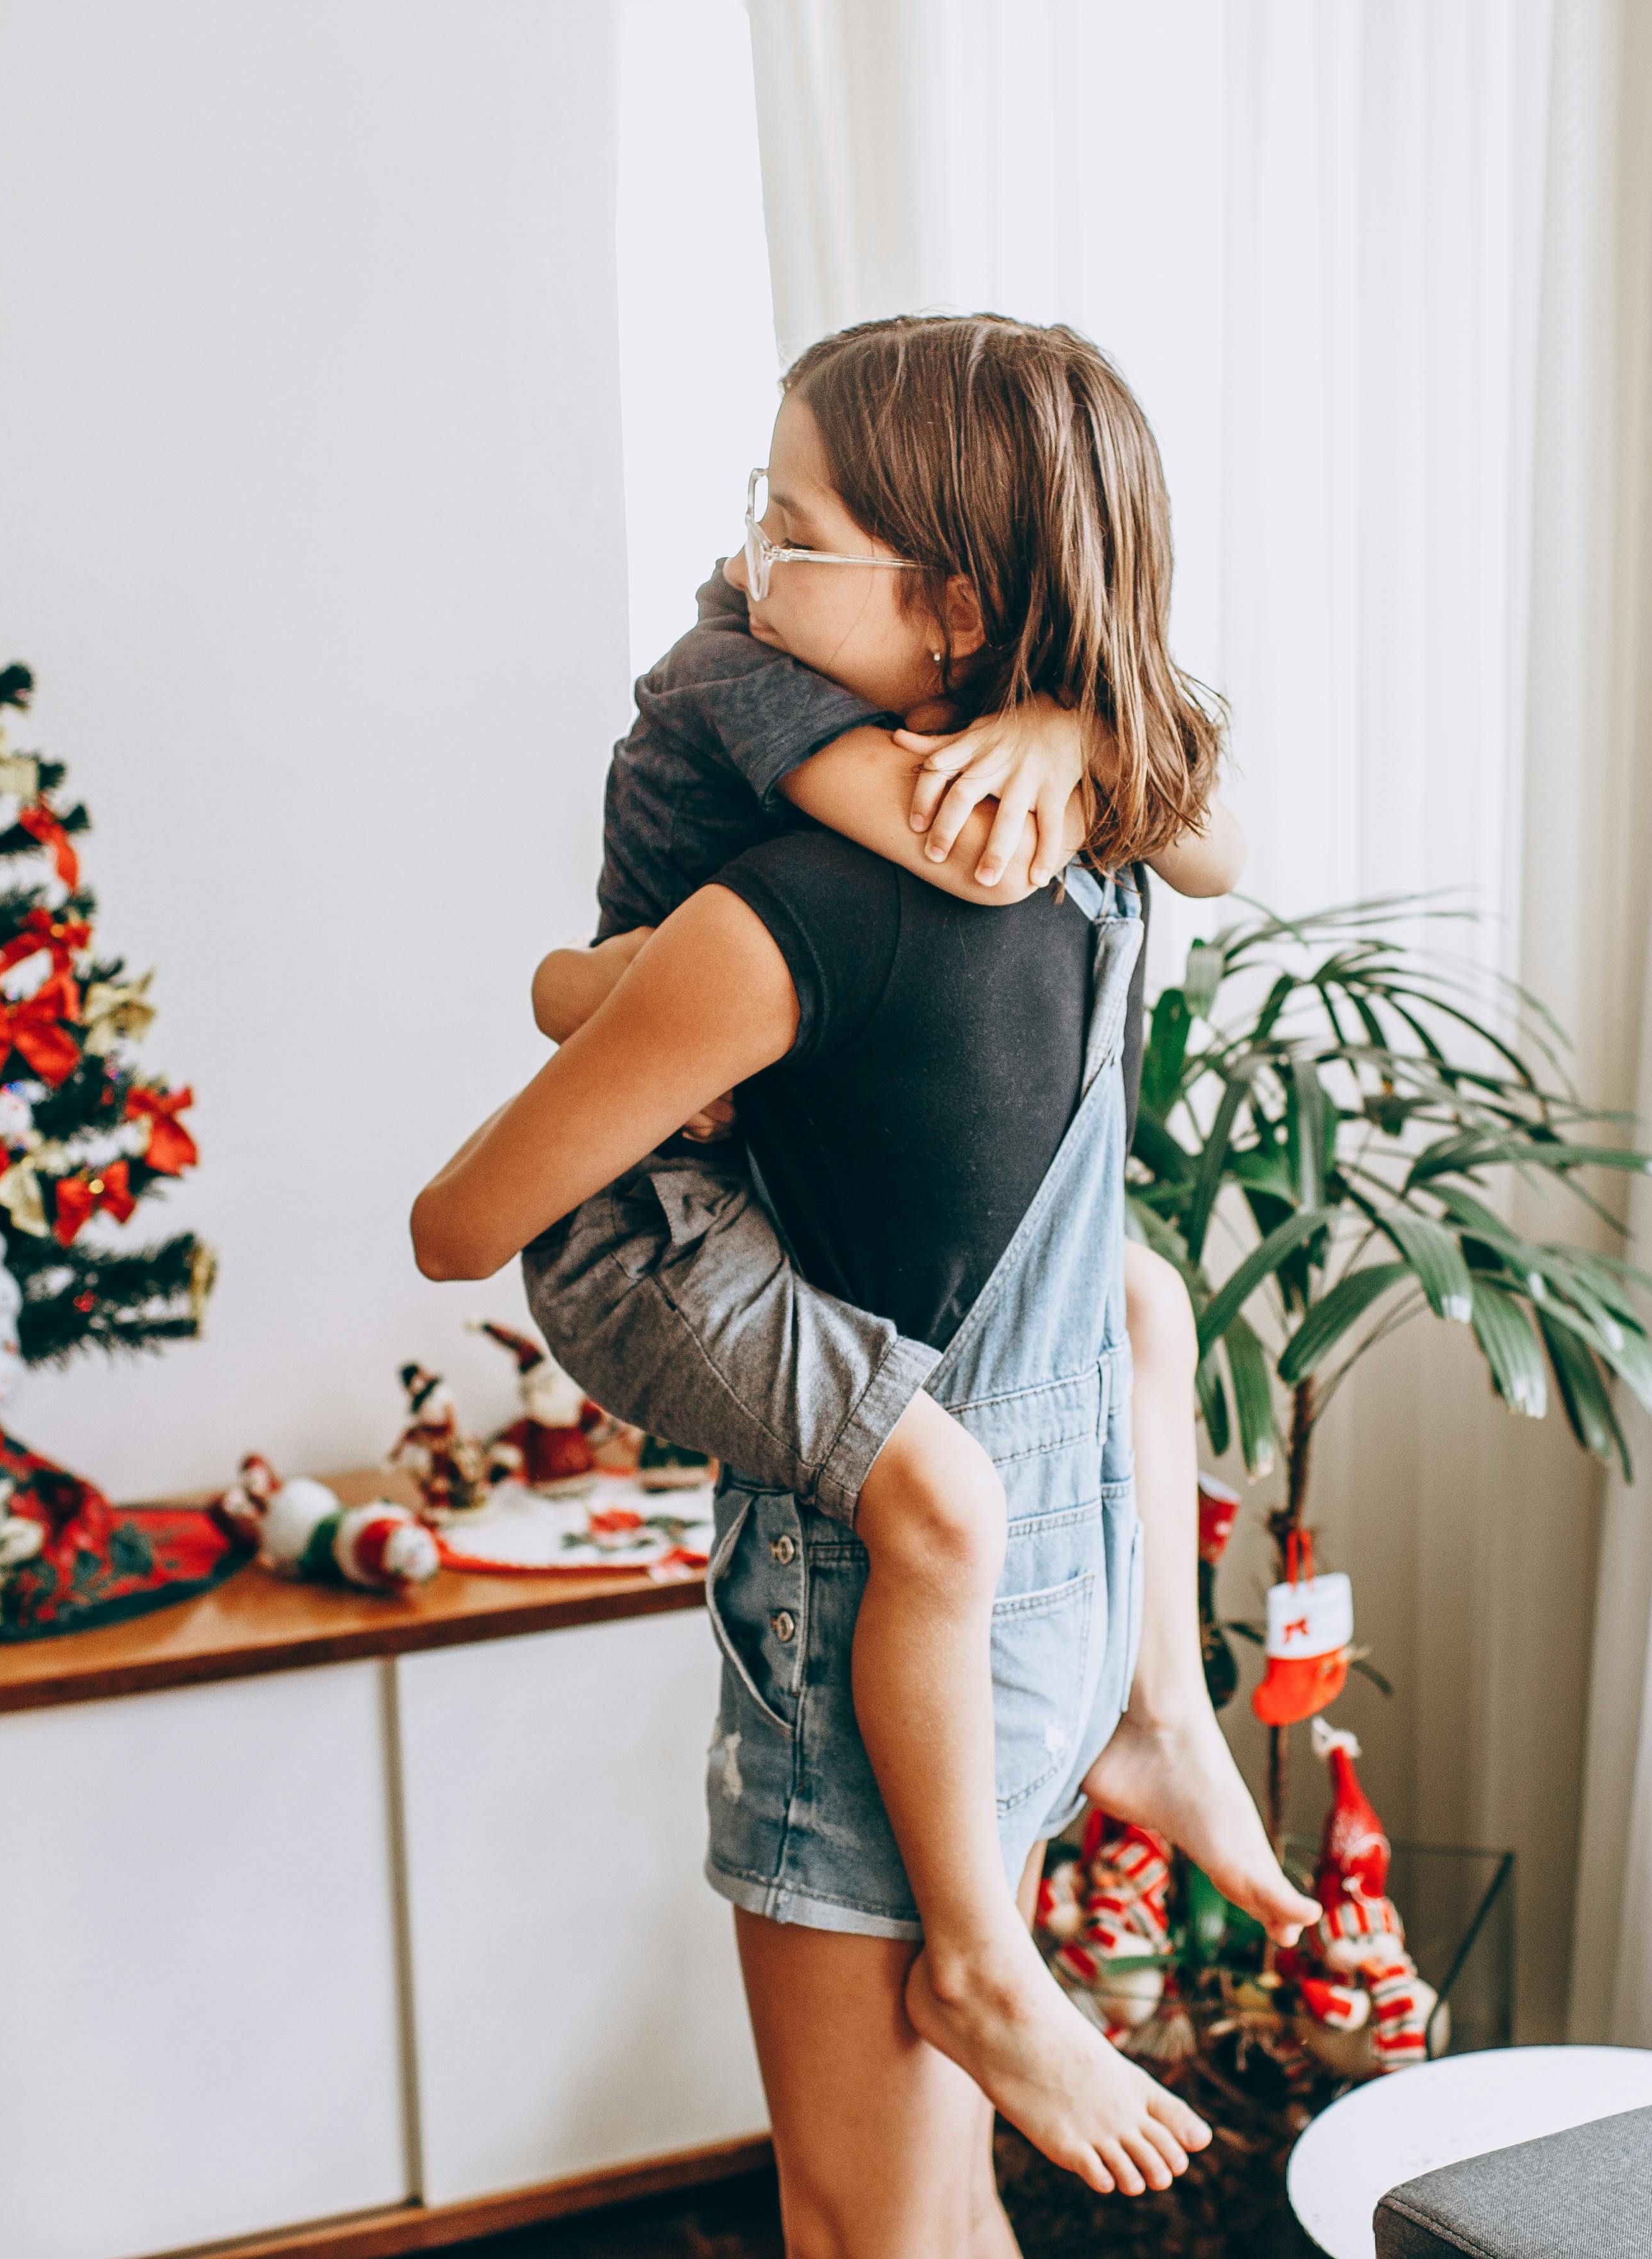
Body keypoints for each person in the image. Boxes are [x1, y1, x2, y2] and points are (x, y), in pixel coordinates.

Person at [414, 315, 1301, 2246]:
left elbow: (461, 1228)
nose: (748, 560)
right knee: (1145, 1300)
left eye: (794, 522)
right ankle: (1171, 1707)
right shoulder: (1088, 851)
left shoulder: (803, 908)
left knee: (866, 2229)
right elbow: (1135, 823)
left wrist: (619, 1001)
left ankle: (1006, 1950)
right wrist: (1081, 726)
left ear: (961, 611)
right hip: (1069, 1607)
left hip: (887, 1637)